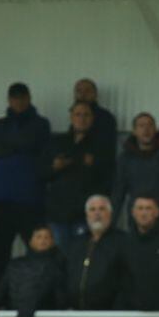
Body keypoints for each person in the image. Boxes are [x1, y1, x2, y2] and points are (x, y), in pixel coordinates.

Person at [0, 82, 52, 282]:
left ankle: (37, 288)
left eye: (22, 97)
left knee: (37, 247)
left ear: (29, 98)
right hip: (2, 199)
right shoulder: (0, 124)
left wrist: (7, 145)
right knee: (0, 251)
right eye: (14, 98)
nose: (18, 102)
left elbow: (32, 142)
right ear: (9, 100)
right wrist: (17, 147)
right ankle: (0, 293)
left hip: (31, 198)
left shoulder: (40, 124)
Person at [42, 101, 110, 245]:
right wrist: (55, 168)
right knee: (61, 256)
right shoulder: (57, 142)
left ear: (92, 118)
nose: (82, 118)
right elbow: (41, 174)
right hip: (58, 211)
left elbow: (109, 178)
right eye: (78, 114)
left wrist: (92, 166)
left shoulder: (101, 145)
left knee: (84, 253)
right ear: (71, 117)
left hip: (85, 213)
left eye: (86, 115)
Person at [0, 226, 66, 317]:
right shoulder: (15, 265)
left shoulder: (58, 267)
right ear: (30, 241)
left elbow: (61, 300)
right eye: (39, 237)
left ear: (52, 242)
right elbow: (1, 291)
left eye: (47, 237)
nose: (43, 240)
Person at [112, 112, 159, 227]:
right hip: (138, 218)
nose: (146, 129)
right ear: (134, 131)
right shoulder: (125, 158)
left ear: (155, 129)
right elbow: (119, 192)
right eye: (141, 126)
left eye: (150, 125)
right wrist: (111, 222)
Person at [63, 195, 127, 310]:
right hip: (76, 314)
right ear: (87, 215)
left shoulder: (122, 242)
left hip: (110, 315)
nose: (97, 213)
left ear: (110, 214)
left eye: (102, 209)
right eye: (92, 210)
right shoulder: (76, 243)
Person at [73, 77, 118, 183]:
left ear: (95, 94)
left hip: (99, 172)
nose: (83, 94)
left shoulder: (105, 117)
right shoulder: (73, 116)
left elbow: (107, 147)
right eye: (79, 91)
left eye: (87, 91)